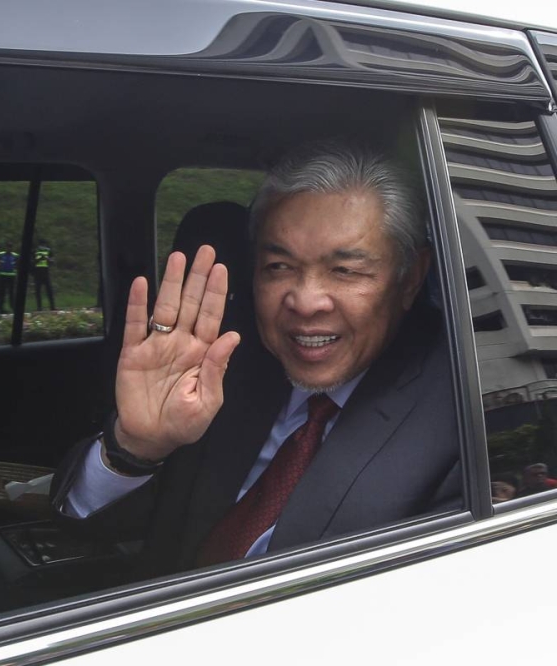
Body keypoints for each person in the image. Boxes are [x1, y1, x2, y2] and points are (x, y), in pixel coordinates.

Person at [52, 139, 461, 576]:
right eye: (279, 267)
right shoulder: (222, 368)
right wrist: (138, 447)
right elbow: (100, 534)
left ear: (411, 277)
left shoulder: (460, 423)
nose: (305, 302)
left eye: (345, 271)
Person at [0, 242, 19, 314]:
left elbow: (18, 264)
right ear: (6, 247)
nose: (9, 248)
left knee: (12, 293)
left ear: (12, 248)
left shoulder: (16, 255)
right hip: (2, 276)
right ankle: (0, 308)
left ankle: (14, 308)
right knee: (1, 293)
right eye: (8, 247)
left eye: (10, 247)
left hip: (11, 276)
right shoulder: (0, 254)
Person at [32, 238, 55, 310]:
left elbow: (52, 261)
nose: (43, 246)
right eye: (42, 245)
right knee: (38, 290)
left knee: (49, 289)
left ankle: (52, 306)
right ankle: (39, 307)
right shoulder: (35, 251)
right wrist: (39, 259)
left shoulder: (48, 250)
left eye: (44, 245)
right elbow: (32, 262)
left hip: (45, 271)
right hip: (37, 272)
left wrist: (48, 259)